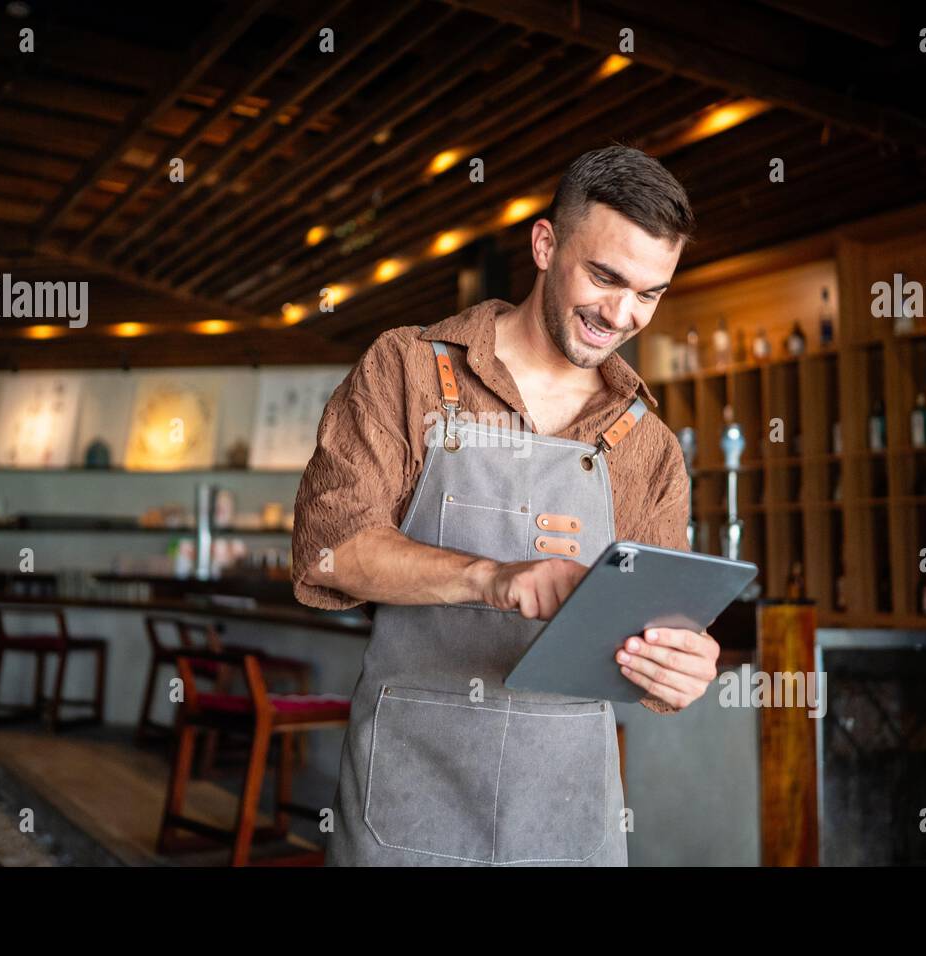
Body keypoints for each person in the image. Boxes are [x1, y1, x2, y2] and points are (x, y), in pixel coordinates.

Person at [291, 144, 720, 866]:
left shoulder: (650, 449)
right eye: (605, 277)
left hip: (568, 817)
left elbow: (651, 639)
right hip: (411, 792)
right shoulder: (408, 370)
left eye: (649, 294)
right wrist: (492, 578)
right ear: (546, 244)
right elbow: (331, 549)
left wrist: (678, 671)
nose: (621, 314)